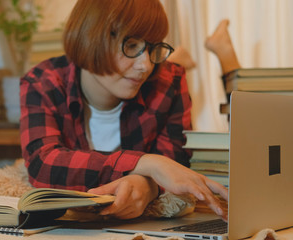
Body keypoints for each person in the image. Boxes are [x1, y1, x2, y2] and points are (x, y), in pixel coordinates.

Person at [19, 0, 228, 220]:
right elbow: (42, 164)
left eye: (153, 48)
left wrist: (147, 185)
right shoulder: (43, 82)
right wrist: (145, 163)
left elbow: (174, 163)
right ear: (90, 37)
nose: (145, 65)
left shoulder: (170, 81)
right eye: (131, 46)